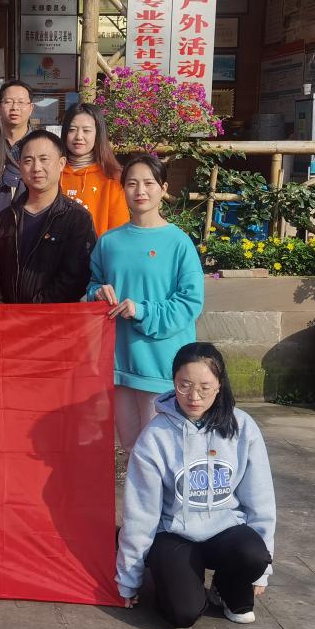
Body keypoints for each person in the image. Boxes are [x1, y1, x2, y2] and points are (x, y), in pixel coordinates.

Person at [117, 342, 275, 628]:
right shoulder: (155, 436)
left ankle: (225, 589)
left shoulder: (242, 427)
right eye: (184, 385)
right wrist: (128, 578)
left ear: (219, 385)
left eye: (205, 387)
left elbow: (260, 499)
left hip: (225, 529)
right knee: (183, 613)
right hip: (174, 533)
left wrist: (262, 570)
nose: (193, 396)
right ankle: (172, 577)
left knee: (253, 555)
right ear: (174, 382)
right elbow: (141, 512)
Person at [87, 154, 204, 451]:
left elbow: (190, 303)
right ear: (123, 189)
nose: (140, 191)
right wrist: (97, 293)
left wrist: (141, 311)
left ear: (163, 188)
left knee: (162, 453)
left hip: (161, 367)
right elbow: (91, 286)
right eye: (132, 184)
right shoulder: (109, 242)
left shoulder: (179, 242)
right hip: (118, 365)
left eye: (149, 183)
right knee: (131, 451)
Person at [0, 130, 96, 304]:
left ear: (61, 163)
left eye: (44, 159)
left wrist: (34, 310)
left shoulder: (77, 219)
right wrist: (0, 307)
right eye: (28, 161)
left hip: (53, 317)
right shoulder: (6, 218)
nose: (36, 168)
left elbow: (74, 277)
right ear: (20, 166)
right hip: (6, 316)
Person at [60, 102, 129, 235]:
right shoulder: (51, 173)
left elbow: (119, 232)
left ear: (98, 134)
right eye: (72, 130)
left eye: (86, 130)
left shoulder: (112, 177)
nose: (79, 137)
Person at [0, 79, 35, 218]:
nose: (15, 107)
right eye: (8, 102)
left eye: (21, 102)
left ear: (31, 108)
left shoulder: (40, 144)